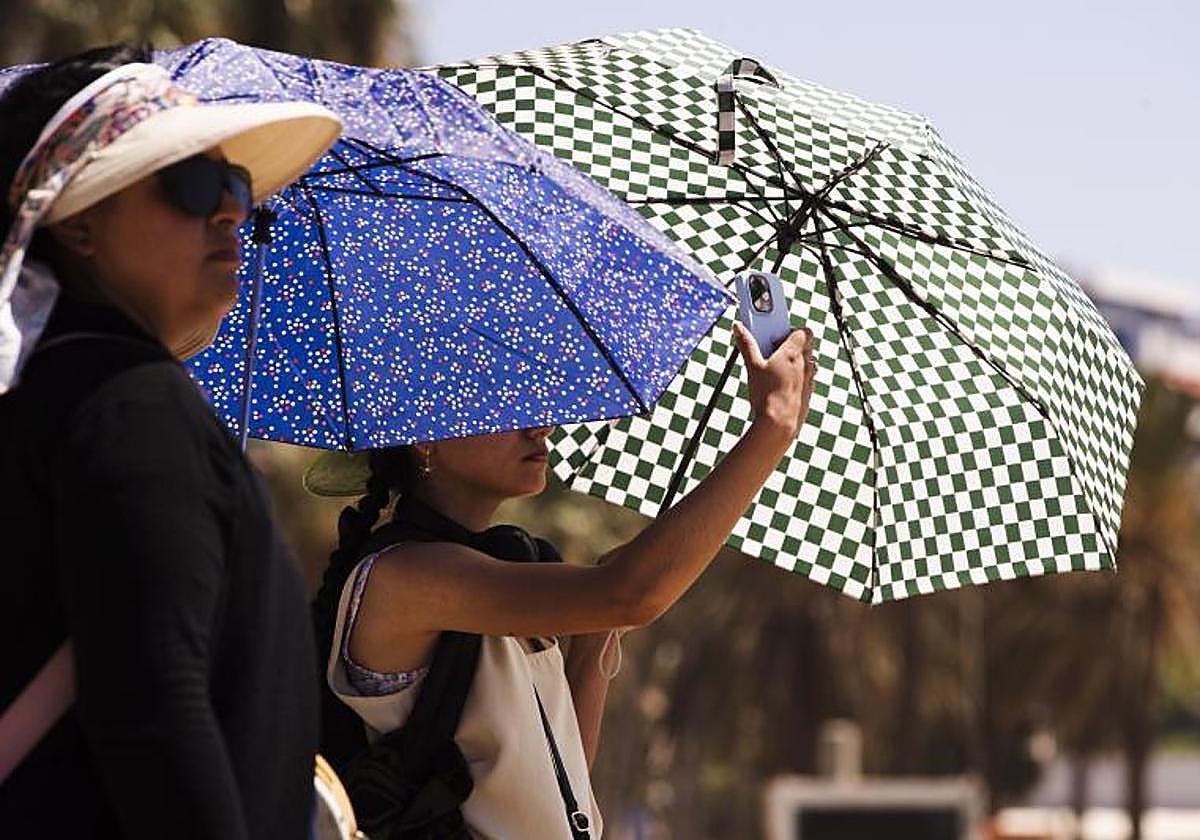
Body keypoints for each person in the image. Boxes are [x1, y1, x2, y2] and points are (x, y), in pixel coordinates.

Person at [0, 44, 341, 837]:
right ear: (81, 225)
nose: (231, 212)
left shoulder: (50, 395)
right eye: (192, 184)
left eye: (238, 189)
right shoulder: (131, 404)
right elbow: (152, 706)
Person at [310, 319, 816, 838]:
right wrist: (771, 429)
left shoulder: (509, 565)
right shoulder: (405, 575)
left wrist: (599, 624)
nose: (540, 426)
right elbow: (632, 595)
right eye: (508, 403)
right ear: (425, 439)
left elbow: (563, 774)